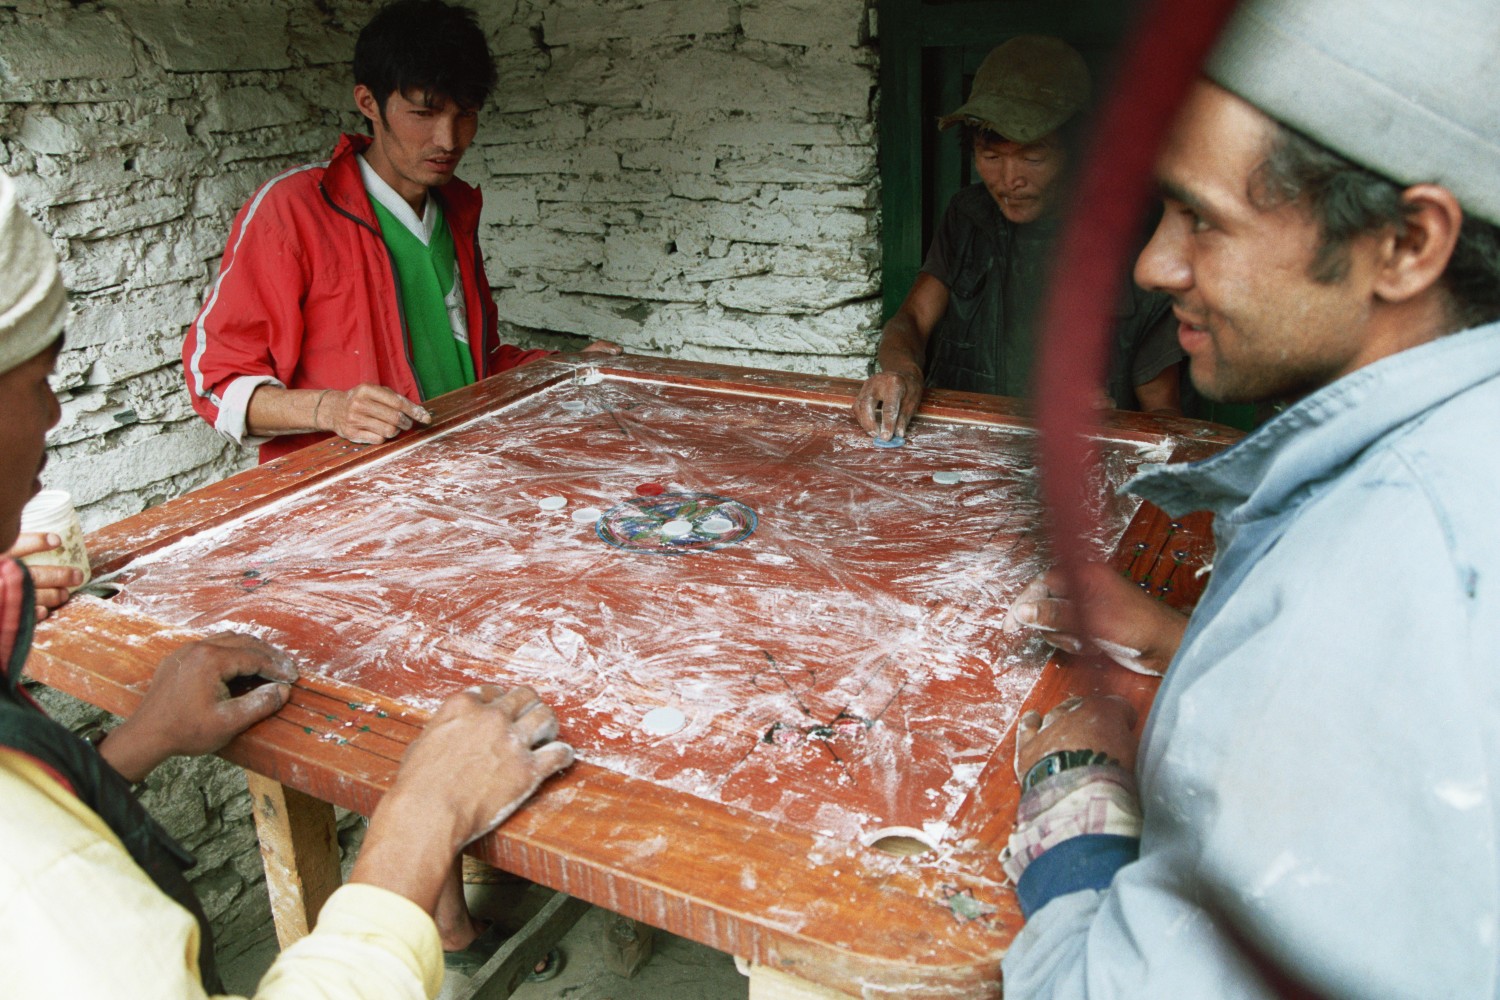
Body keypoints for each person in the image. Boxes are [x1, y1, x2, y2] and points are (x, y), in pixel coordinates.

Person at [997, 0, 1500, 994]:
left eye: (1202, 219)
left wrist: (1075, 804)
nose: (1155, 264)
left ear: (1406, 242)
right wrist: (1197, 645)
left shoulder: (1395, 569)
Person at [183, 0, 618, 465]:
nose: (449, 141)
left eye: (465, 114)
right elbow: (214, 382)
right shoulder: (292, 211)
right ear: (369, 103)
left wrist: (567, 366)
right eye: (424, 114)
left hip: (456, 478)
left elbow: (473, 367)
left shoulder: (454, 211)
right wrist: (330, 408)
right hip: (348, 504)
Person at [853, 35, 1184, 442]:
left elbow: (1167, 415)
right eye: (991, 157)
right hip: (959, 458)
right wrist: (902, 371)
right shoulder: (968, 217)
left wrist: (1116, 427)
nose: (1009, 181)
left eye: (1033, 157)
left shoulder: (1135, 246)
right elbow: (913, 320)